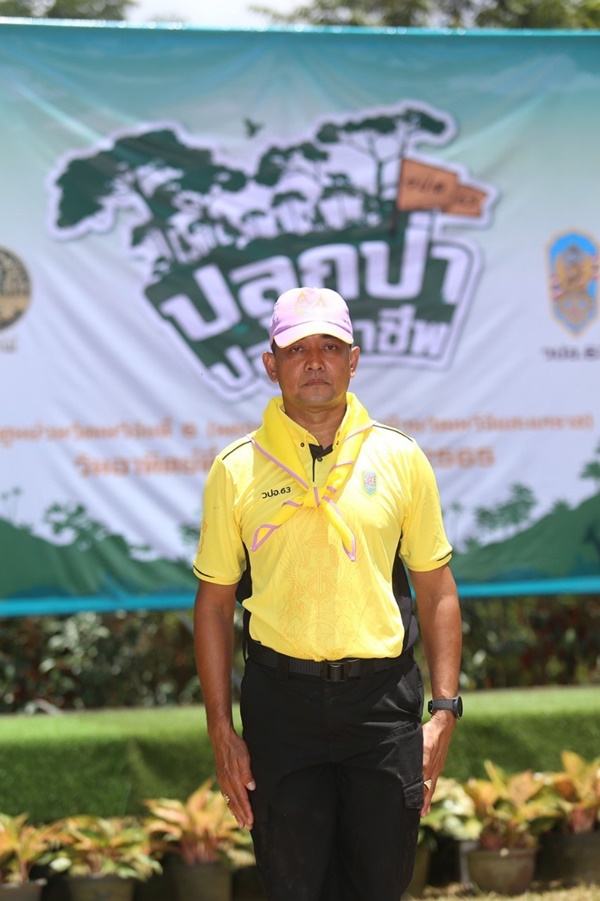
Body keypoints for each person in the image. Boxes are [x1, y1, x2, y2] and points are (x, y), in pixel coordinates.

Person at [193, 286, 462, 901]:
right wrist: (220, 729)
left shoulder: (400, 457)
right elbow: (213, 606)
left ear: (353, 360)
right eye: (297, 349)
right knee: (293, 887)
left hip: (381, 704)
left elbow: (437, 591)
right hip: (280, 706)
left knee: (380, 885)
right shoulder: (235, 468)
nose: (315, 361)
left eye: (330, 347)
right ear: (271, 365)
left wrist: (444, 712)